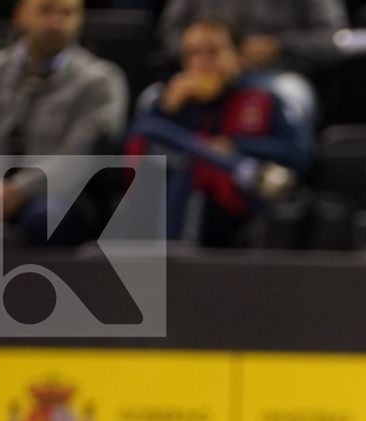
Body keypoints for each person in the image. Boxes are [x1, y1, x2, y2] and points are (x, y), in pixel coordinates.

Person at [125, 17, 313, 248]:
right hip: (180, 200)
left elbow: (299, 153)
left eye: (213, 52)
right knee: (156, 136)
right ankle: (243, 169)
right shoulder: (171, 100)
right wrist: (166, 110)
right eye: (192, 54)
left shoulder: (264, 97)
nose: (202, 63)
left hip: (245, 205)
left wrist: (235, 145)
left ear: (237, 56)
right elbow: (135, 147)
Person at [0, 0, 128, 244]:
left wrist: (16, 191)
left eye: (67, 13)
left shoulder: (101, 82)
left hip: (57, 194)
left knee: (47, 218)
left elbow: (79, 157)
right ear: (19, 15)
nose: (56, 22)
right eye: (46, 10)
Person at [157, 0, 346, 72]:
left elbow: (332, 39)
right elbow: (170, 32)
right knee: (151, 100)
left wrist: (280, 45)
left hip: (276, 72)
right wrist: (200, 50)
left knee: (292, 97)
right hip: (202, 72)